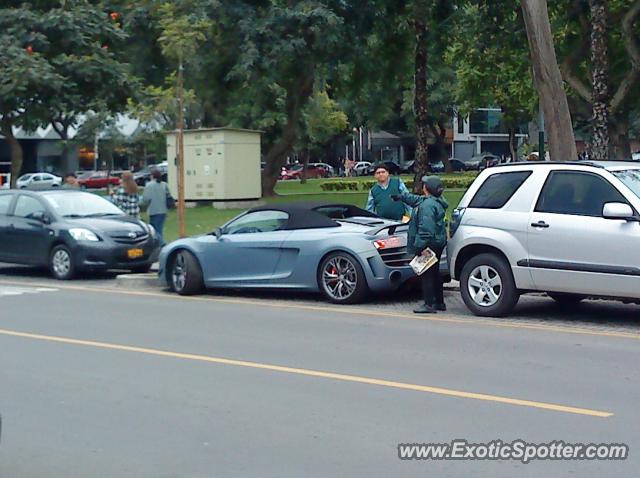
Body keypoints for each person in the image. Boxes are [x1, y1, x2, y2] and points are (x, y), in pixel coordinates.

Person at [393, 175, 448, 314]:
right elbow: (416, 200)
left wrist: (419, 246)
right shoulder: (434, 201)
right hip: (437, 242)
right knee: (435, 273)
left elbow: (426, 229)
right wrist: (401, 196)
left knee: (426, 273)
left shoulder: (427, 206)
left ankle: (429, 304)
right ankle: (439, 302)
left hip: (428, 243)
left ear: (427, 188)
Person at [140, 168, 169, 246]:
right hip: (163, 210)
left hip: (154, 211)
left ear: (152, 176)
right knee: (159, 229)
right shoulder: (164, 184)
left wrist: (140, 203)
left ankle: (162, 244)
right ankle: (160, 245)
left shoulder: (149, 185)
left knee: (155, 230)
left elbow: (145, 199)